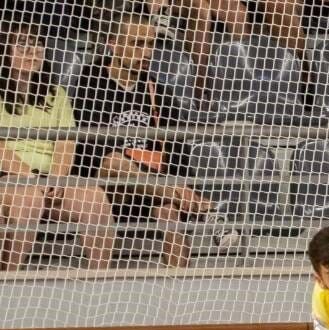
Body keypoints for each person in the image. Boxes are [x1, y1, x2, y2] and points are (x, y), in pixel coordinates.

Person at [74, 13, 213, 268]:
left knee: (169, 211)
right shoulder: (89, 85)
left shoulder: (158, 92)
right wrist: (169, 189)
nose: (146, 52)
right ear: (113, 44)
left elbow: (178, 150)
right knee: (114, 163)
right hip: (105, 189)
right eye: (137, 44)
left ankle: (179, 287)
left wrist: (172, 187)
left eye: (150, 44)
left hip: (146, 189)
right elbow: (91, 153)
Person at [0, 21, 116, 271]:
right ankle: (8, 280)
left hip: (48, 179)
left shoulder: (57, 94)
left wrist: (57, 178)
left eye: (38, 44)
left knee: (94, 197)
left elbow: (66, 140)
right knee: (28, 200)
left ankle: (103, 283)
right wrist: (30, 177)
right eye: (22, 45)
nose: (33, 51)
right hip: (11, 176)